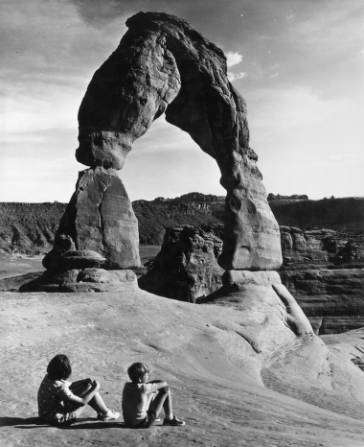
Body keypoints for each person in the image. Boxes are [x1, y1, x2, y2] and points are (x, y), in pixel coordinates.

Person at [37, 354, 120, 426]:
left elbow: (69, 385)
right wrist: (95, 388)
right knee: (91, 392)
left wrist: (82, 382)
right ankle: (106, 413)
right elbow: (83, 401)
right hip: (60, 419)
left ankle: (104, 413)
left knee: (87, 387)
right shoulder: (59, 386)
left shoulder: (49, 377)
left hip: (46, 414)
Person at [122, 362, 185, 428]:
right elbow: (164, 383)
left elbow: (144, 387)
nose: (148, 376)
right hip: (141, 424)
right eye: (146, 375)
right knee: (165, 389)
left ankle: (148, 415)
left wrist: (150, 384)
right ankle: (169, 419)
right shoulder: (144, 388)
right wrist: (155, 382)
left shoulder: (127, 386)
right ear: (140, 379)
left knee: (148, 394)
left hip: (128, 422)